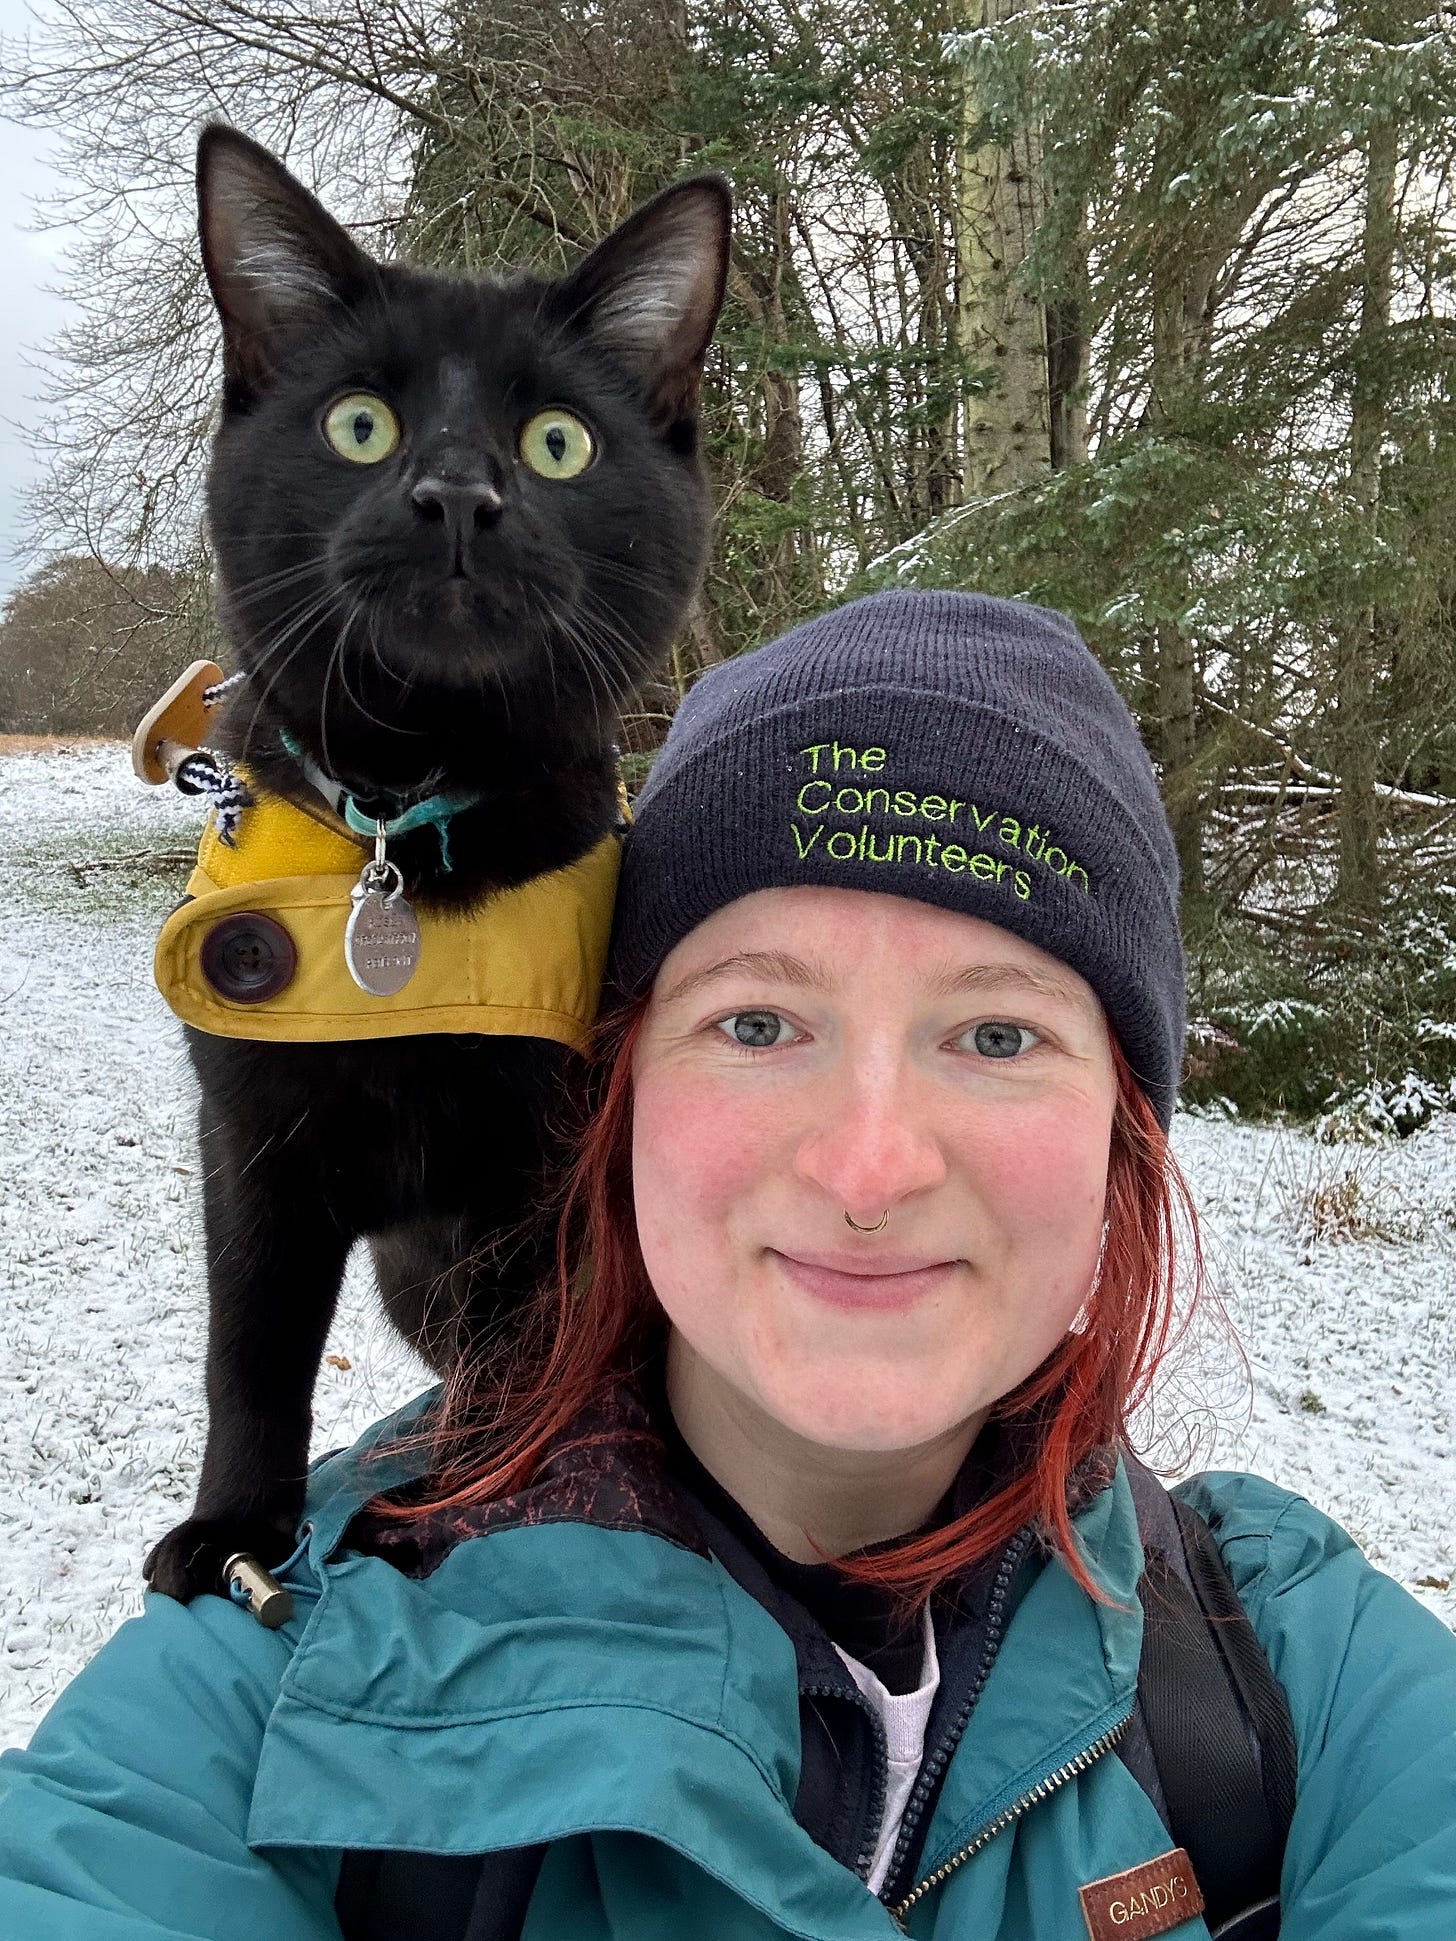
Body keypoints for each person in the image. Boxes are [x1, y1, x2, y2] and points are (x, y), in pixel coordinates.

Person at [2, 589, 1453, 1940]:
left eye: (997, 1034)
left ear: (1123, 1130)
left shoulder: (1292, 1683)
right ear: (615, 1093)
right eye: (760, 1023)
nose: (868, 1165)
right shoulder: (285, 1695)